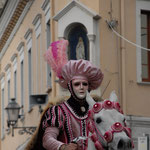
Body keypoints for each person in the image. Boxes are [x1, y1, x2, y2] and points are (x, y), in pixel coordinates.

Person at [25, 40, 103, 150]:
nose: (81, 87)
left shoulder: (97, 111)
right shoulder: (58, 111)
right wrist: (63, 147)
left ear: (89, 87)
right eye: (77, 84)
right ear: (70, 87)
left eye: (84, 84)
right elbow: (48, 139)